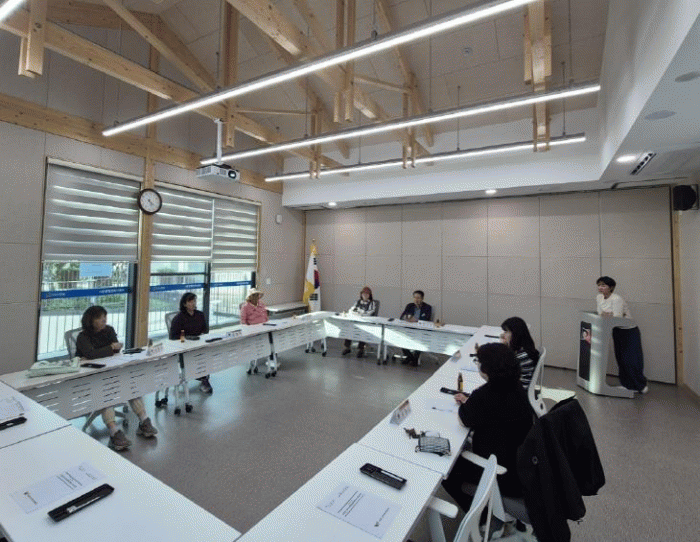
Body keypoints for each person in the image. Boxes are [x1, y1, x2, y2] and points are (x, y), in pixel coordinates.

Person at [441, 342, 534, 511]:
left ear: (486, 368)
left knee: (446, 472)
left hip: (501, 474)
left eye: (479, 362)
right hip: (523, 468)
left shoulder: (485, 395)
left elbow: (464, 420)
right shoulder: (517, 387)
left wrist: (468, 402)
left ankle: (481, 516)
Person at [76, 306, 157, 451]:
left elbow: (116, 348)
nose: (104, 320)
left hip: (111, 373)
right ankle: (114, 433)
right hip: (91, 380)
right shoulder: (83, 337)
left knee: (131, 386)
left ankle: (144, 421)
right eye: (100, 318)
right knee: (106, 393)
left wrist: (114, 348)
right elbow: (91, 354)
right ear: (90, 320)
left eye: (105, 317)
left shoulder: (109, 330)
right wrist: (109, 348)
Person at [596, 276, 648, 393]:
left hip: (629, 331)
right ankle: (627, 384)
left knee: (631, 360)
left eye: (603, 285)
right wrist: (607, 314)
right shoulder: (599, 297)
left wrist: (607, 315)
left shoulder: (616, 299)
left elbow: (617, 317)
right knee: (621, 359)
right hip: (617, 330)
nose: (600, 288)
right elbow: (600, 312)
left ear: (611, 287)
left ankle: (639, 385)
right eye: (599, 285)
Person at [169, 292, 212, 393]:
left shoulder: (200, 315)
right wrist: (186, 338)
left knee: (208, 354)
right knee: (199, 358)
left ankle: (203, 376)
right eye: (190, 302)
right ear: (184, 304)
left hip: (198, 345)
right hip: (185, 348)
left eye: (194, 301)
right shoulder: (179, 318)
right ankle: (203, 378)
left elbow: (205, 330)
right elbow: (173, 336)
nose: (193, 303)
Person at [500, 316, 540, 390]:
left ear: (515, 334)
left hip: (518, 390)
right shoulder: (524, 347)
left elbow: (504, 370)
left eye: (506, 332)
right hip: (518, 385)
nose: (503, 335)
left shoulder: (522, 356)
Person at [342, 286, 379, 358]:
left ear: (370, 295)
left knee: (363, 331)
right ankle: (347, 348)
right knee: (349, 328)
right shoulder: (358, 302)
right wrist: (357, 313)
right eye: (363, 293)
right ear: (361, 294)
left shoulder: (372, 303)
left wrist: (359, 313)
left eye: (367, 294)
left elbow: (369, 313)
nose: (365, 295)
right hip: (356, 320)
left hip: (365, 322)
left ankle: (361, 349)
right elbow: (351, 310)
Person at [399, 290, 432, 366]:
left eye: (418, 298)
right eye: (415, 298)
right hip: (409, 329)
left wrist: (416, 320)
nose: (416, 300)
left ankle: (415, 358)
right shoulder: (409, 306)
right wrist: (408, 318)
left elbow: (426, 319)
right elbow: (402, 317)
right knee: (400, 337)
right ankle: (410, 357)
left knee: (420, 339)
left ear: (422, 298)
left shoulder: (427, 307)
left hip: (421, 330)